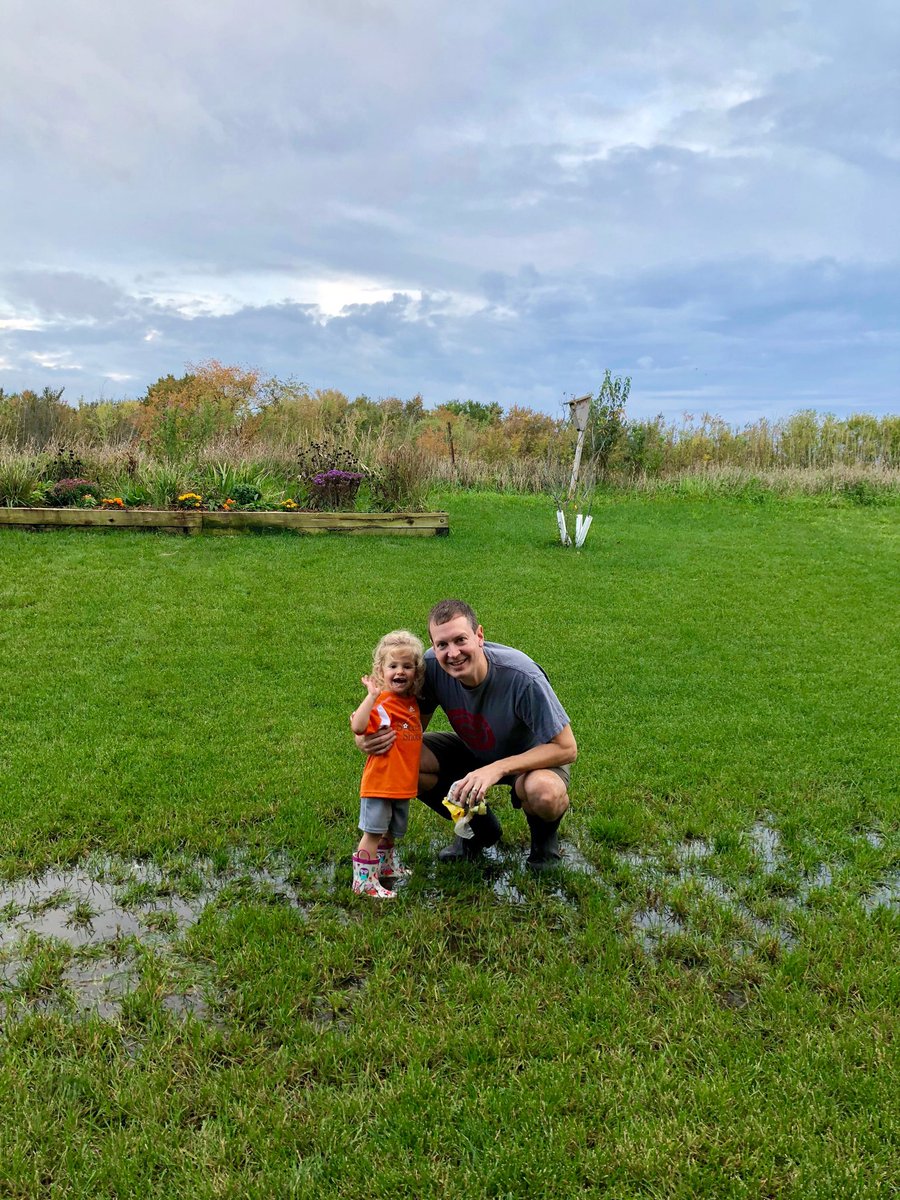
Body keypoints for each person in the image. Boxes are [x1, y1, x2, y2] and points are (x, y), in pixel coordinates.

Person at [358, 600, 576, 871]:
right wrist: (368, 737)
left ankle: (544, 847)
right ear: (433, 646)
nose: (453, 653)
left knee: (543, 791)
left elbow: (567, 748)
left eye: (460, 640)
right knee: (404, 763)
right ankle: (478, 829)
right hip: (474, 749)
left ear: (479, 635)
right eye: (442, 645)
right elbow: (409, 729)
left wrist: (496, 769)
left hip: (531, 759)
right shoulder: (431, 667)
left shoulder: (522, 677)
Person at [349, 630, 424, 899]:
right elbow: (358, 726)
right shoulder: (381, 703)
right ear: (381, 670)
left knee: (390, 831)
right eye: (393, 666)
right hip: (380, 783)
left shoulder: (410, 702)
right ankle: (364, 882)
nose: (400, 671)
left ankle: (385, 867)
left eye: (407, 666)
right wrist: (371, 696)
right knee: (373, 832)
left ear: (416, 672)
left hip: (400, 784)